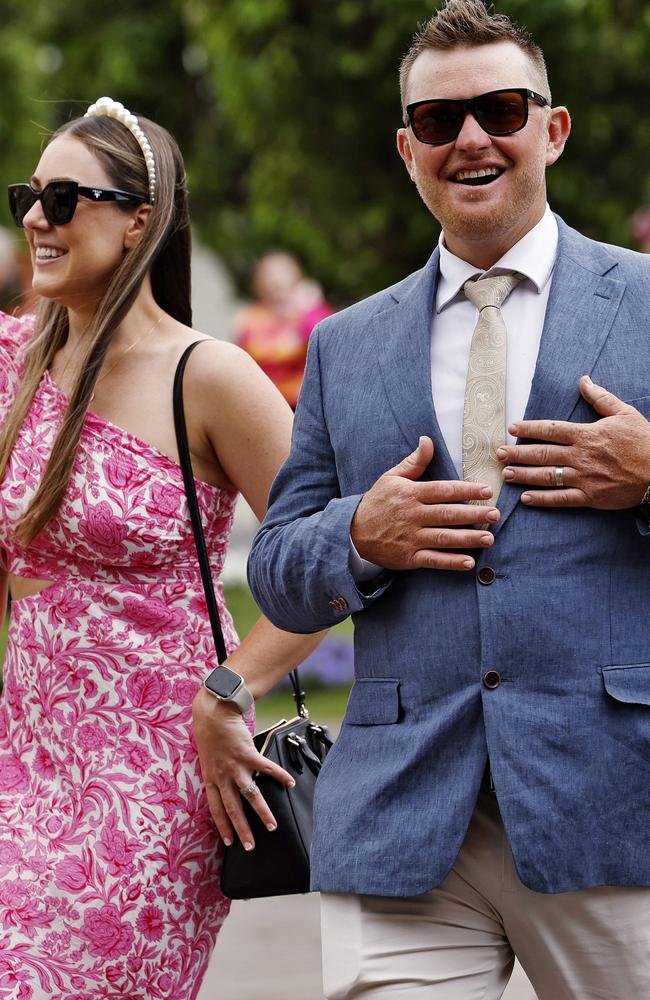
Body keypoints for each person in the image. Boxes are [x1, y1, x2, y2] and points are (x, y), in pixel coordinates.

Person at [247, 2, 650, 998]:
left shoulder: (643, 305)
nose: (470, 138)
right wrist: (359, 534)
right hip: (399, 816)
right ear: (406, 150)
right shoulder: (344, 344)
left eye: (500, 109)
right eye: (438, 121)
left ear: (549, 129)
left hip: (610, 803)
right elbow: (280, 573)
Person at [0, 97, 323, 997]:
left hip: (159, 776)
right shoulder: (11, 361)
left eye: (64, 199)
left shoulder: (208, 376)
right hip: (23, 754)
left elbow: (325, 568)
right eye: (30, 194)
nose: (35, 217)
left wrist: (231, 692)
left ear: (140, 219)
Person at [235, 250, 334, 408]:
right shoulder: (250, 318)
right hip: (267, 405)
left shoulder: (311, 310)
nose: (275, 280)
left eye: (282, 272)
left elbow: (329, 343)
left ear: (297, 276)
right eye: (268, 274)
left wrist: (307, 308)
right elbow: (241, 362)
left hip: (309, 403)